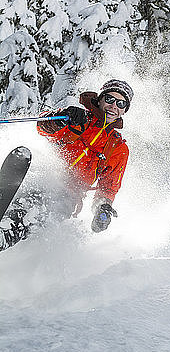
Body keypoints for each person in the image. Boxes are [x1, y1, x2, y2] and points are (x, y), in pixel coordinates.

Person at [0, 79, 133, 251]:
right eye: (109, 99)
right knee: (32, 191)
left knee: (43, 207)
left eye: (120, 103)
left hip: (68, 196)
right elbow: (42, 127)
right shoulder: (78, 119)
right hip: (44, 174)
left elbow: (108, 187)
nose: (114, 106)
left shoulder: (117, 148)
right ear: (100, 100)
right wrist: (60, 119)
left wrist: (103, 208)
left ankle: (7, 233)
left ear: (124, 110)